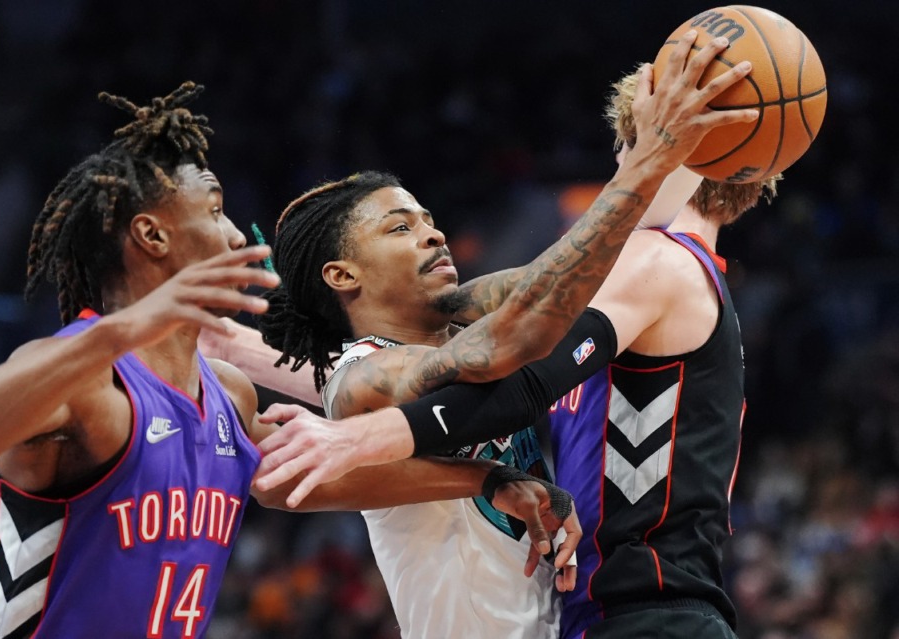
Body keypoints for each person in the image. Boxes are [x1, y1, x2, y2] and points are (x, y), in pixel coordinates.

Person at [0, 82, 581, 639]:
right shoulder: (81, 379)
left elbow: (301, 481)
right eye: (216, 211)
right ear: (153, 236)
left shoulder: (228, 394)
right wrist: (128, 326)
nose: (234, 234)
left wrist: (483, 481)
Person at [248, 34, 758, 638]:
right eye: (400, 228)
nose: (433, 236)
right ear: (343, 275)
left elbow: (569, 274)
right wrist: (651, 157)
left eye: (431, 222)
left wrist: (678, 160)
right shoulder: (367, 373)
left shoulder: (454, 331)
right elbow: (505, 345)